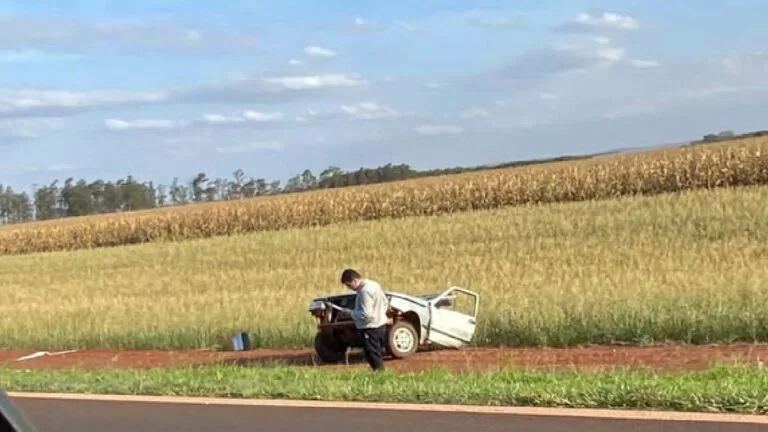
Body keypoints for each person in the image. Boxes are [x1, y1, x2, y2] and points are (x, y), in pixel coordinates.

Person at [339, 268, 389, 371]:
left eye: (349, 285)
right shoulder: (374, 284)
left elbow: (366, 314)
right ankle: (379, 372)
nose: (349, 288)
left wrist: (351, 313)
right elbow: (385, 302)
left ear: (355, 280)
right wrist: (380, 314)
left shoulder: (364, 291)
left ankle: (380, 374)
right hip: (380, 324)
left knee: (372, 354)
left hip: (370, 327)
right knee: (377, 352)